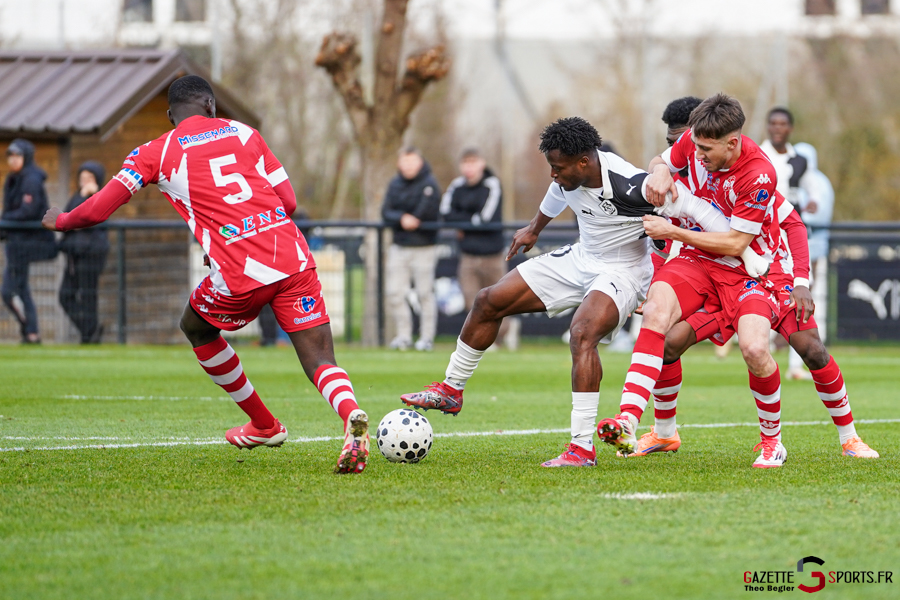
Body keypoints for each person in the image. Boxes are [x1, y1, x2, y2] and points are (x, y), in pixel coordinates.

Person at [43, 75, 369, 474]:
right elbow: (289, 200)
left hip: (239, 272)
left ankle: (264, 424)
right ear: (212, 106)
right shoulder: (246, 134)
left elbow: (96, 210)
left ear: (169, 116)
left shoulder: (154, 152)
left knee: (195, 327)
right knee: (319, 357)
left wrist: (60, 219)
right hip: (293, 258)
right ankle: (351, 413)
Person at [400, 117, 766, 467]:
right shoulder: (568, 176)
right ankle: (451, 389)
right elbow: (555, 192)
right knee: (488, 300)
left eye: (558, 167)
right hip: (581, 258)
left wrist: (744, 248)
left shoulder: (632, 185)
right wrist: (534, 228)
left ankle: (581, 447)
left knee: (582, 332)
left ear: (584, 162)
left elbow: (695, 207)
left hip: (623, 272)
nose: (553, 174)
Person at [597, 93, 796, 468]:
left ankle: (773, 441)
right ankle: (629, 420)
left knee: (754, 350)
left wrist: (673, 232)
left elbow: (737, 244)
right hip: (698, 260)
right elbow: (664, 160)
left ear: (732, 143)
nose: (697, 155)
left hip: (746, 270)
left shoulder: (759, 174)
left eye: (706, 150)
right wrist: (659, 171)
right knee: (656, 312)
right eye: (695, 146)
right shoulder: (695, 138)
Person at [631, 191, 878, 459]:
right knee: (667, 343)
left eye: (700, 148)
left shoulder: (748, 176)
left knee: (812, 350)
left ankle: (849, 438)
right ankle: (664, 433)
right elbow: (664, 244)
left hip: (770, 276)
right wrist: (654, 288)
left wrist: (801, 281)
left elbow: (793, 223)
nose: (697, 154)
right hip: (718, 283)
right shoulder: (679, 184)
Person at [760, 107, 819, 379]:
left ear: (790, 128)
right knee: (763, 293)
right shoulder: (758, 156)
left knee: (800, 292)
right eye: (773, 123)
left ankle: (796, 366)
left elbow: (812, 186)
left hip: (792, 236)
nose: (777, 128)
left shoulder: (800, 161)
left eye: (782, 123)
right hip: (764, 239)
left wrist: (813, 199)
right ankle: (763, 355)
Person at [440, 147, 518, 350]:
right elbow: (446, 213)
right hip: (467, 256)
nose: (469, 167)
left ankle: (501, 337)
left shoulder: (492, 184)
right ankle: (482, 342)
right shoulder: (456, 186)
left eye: (473, 162)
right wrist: (469, 221)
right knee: (471, 302)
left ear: (482, 164)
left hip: (492, 256)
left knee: (499, 301)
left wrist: (463, 223)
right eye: (465, 163)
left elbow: (485, 218)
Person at [381, 147, 441, 352]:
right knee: (394, 292)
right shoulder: (394, 184)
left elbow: (426, 213)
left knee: (425, 293)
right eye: (404, 161)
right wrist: (401, 218)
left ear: (420, 162)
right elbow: (386, 212)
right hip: (399, 247)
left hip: (424, 247)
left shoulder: (430, 184)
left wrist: (409, 218)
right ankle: (404, 336)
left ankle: (426, 338)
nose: (407, 166)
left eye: (411, 161)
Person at [2, 138, 57, 344]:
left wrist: (4, 222)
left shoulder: (31, 179)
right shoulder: (13, 179)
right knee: (20, 288)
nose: (13, 160)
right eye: (11, 156)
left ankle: (30, 329)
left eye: (17, 156)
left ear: (26, 157)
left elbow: (29, 210)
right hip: (16, 243)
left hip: (29, 243)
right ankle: (32, 334)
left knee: (9, 291)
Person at [58, 162, 110, 344]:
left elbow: (88, 218)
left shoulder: (102, 198)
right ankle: (90, 330)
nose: (85, 182)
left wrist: (91, 195)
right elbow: (69, 217)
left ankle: (89, 335)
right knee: (65, 296)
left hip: (91, 255)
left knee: (88, 296)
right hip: (74, 255)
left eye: (89, 178)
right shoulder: (77, 197)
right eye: (83, 178)